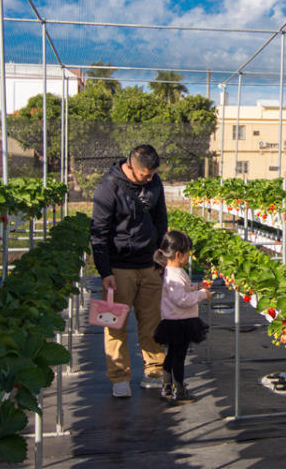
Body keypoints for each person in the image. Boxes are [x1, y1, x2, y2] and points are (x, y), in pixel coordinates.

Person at [90, 144, 169, 398]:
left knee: (152, 323)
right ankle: (119, 377)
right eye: (145, 175)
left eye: (152, 174)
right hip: (119, 268)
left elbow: (161, 220)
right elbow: (98, 234)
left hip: (149, 265)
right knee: (115, 325)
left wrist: (161, 258)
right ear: (130, 166)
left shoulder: (155, 184)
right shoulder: (108, 188)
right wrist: (105, 272)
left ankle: (154, 372)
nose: (149, 179)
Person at [154, 230, 211, 403]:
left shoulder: (172, 271)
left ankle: (166, 387)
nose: (189, 257)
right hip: (181, 322)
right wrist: (202, 294)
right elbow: (182, 299)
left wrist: (196, 286)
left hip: (172, 321)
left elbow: (183, 290)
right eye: (187, 253)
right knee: (179, 357)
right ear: (179, 255)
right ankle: (179, 390)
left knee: (171, 355)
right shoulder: (175, 275)